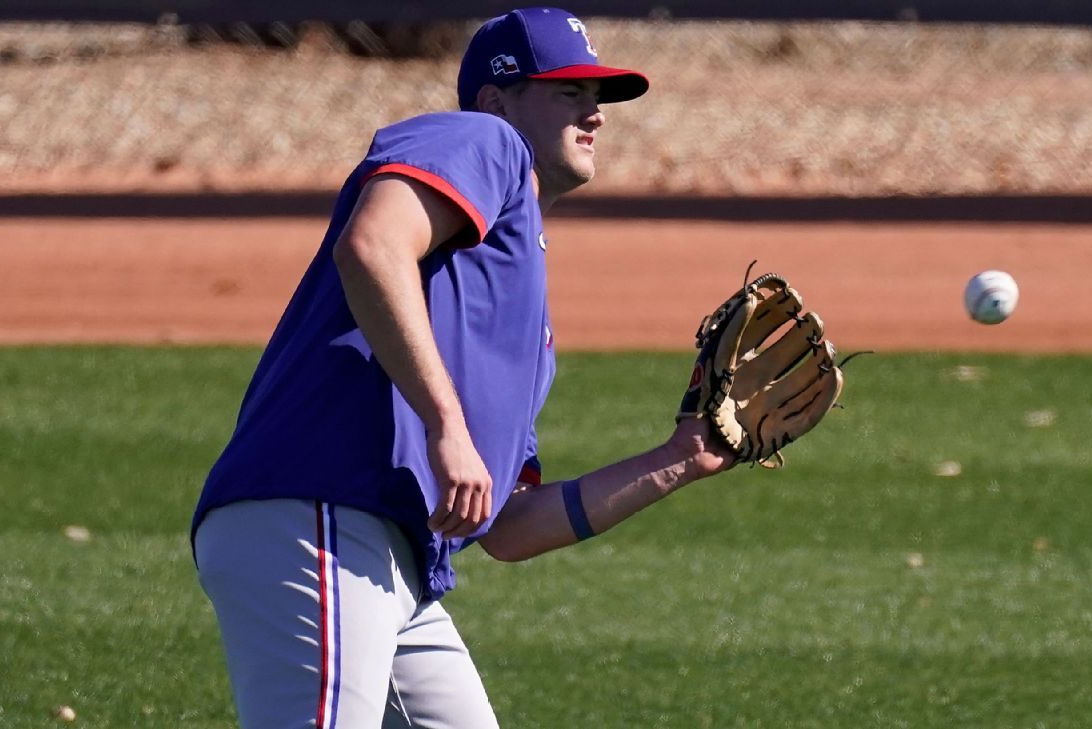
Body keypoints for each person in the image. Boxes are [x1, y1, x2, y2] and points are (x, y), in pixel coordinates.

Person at [191, 7, 734, 728]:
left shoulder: (526, 329)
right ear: (496, 98)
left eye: (597, 97)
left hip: (395, 565)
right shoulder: (482, 140)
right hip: (320, 512)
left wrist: (680, 459)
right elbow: (374, 246)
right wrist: (445, 425)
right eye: (568, 92)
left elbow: (507, 525)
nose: (595, 114)